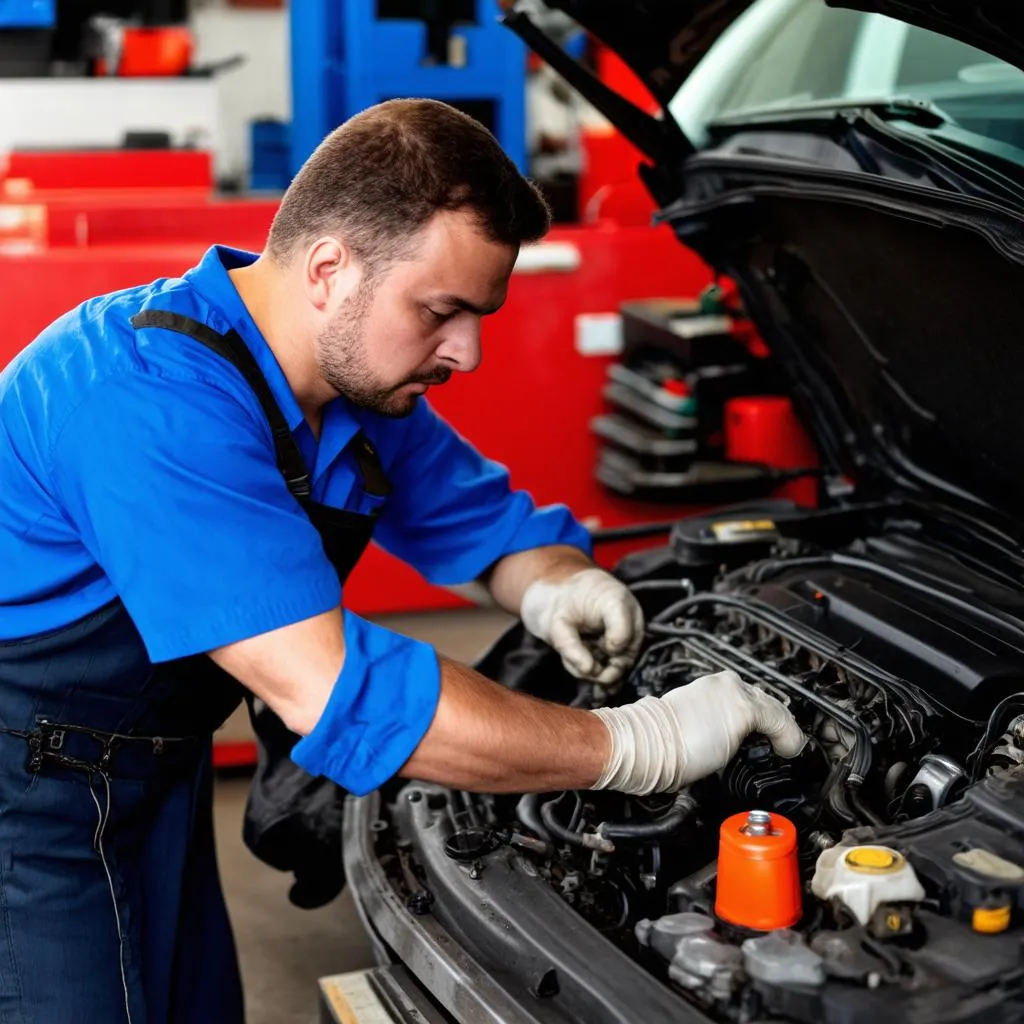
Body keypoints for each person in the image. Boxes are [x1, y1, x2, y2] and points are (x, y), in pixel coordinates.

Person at [0, 98, 804, 1022]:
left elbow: (490, 531)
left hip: (149, 774)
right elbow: (330, 687)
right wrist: (637, 744)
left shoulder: (357, 395)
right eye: (442, 311)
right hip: (30, 799)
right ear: (331, 270)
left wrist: (557, 585)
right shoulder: (146, 403)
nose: (467, 350)